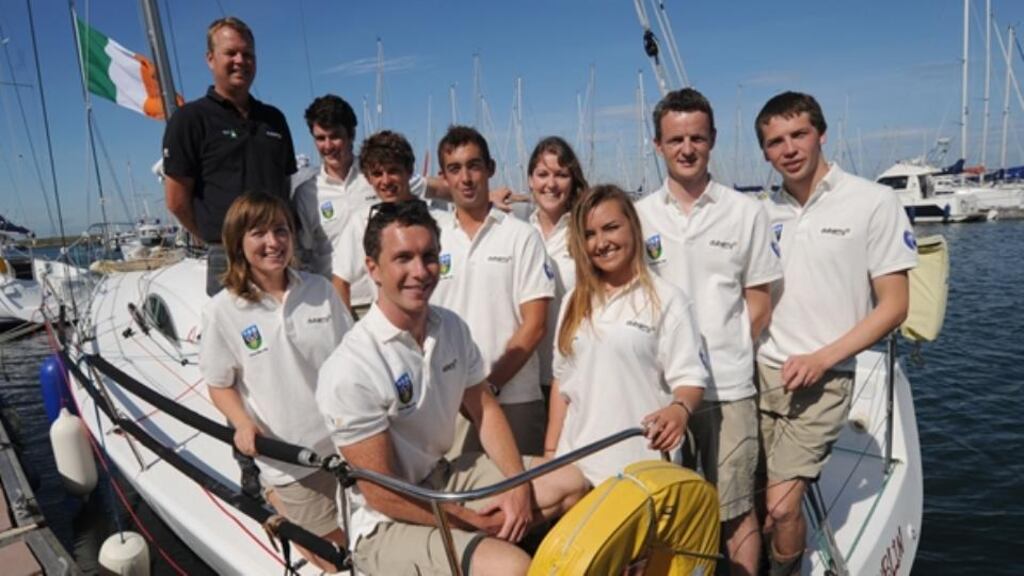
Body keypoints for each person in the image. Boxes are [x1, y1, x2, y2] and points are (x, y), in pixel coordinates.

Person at [316, 201, 586, 576]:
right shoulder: (351, 367)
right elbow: (382, 493)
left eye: (429, 257)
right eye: (403, 258)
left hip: (443, 476)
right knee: (512, 568)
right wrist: (469, 521)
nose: (419, 271)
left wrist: (517, 485)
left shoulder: (451, 328)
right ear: (373, 269)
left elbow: (485, 409)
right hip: (383, 520)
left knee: (574, 482)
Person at [754, 91, 916, 575]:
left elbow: (895, 305)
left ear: (821, 134)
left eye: (798, 134)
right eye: (775, 141)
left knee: (782, 504)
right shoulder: (761, 212)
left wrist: (823, 359)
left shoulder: (873, 202)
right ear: (764, 152)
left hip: (824, 379)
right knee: (759, 496)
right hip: (759, 374)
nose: (789, 149)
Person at [636, 88, 781, 575]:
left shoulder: (745, 212)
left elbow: (761, 293)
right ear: (658, 144)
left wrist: (734, 344)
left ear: (713, 139)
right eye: (676, 139)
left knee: (735, 509)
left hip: (728, 387)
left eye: (697, 137)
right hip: (659, 391)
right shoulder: (637, 217)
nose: (687, 148)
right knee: (667, 510)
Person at [199, 193, 352, 571]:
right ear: (238, 243)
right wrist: (243, 423)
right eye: (259, 233)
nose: (273, 242)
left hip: (349, 448)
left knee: (368, 543)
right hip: (290, 464)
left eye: (281, 230)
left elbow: (353, 360)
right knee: (333, 559)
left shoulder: (321, 290)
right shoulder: (222, 311)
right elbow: (219, 383)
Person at [544, 184, 708, 487]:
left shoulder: (668, 299)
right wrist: (551, 453)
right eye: (590, 234)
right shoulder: (572, 301)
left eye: (610, 228)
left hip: (642, 470)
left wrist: (679, 409)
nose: (601, 242)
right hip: (576, 467)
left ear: (633, 226)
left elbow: (690, 380)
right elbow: (561, 384)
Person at [431, 126, 555, 457]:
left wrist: (489, 386)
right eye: (454, 169)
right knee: (458, 505)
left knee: (525, 501)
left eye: (474, 165)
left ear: (491, 168)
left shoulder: (521, 236)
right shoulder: (432, 238)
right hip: (449, 405)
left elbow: (535, 324)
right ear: (444, 177)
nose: (466, 178)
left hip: (515, 397)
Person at [163, 17, 297, 296]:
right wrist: (219, 239)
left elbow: (284, 185)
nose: (241, 60)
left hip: (277, 253)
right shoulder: (190, 119)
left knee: (285, 331)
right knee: (236, 336)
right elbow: (176, 201)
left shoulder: (274, 120)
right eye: (231, 53)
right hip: (228, 256)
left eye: (248, 54)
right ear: (211, 59)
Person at [331, 130, 422, 317]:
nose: (386, 181)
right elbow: (340, 281)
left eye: (393, 171)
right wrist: (349, 335)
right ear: (368, 178)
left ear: (409, 171)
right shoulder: (362, 222)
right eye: (377, 174)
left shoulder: (436, 218)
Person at [525, 137, 588, 396]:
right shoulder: (518, 234)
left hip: (576, 373)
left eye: (561, 174)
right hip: (527, 377)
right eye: (542, 174)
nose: (551, 184)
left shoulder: (586, 232)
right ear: (530, 180)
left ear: (572, 180)